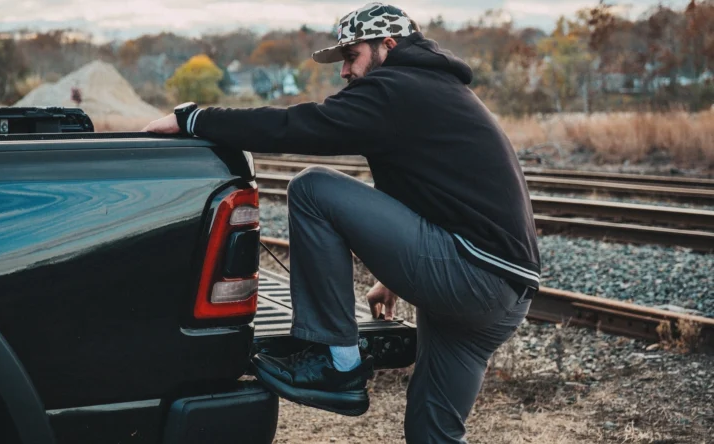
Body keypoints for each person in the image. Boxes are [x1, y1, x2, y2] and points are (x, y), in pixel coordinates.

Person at [143, 2, 540, 442]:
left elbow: (298, 125)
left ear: (388, 45)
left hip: (470, 273)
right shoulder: (437, 89)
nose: (345, 71)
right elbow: (438, 193)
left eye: (352, 56)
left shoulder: (398, 88)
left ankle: (338, 364)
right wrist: (393, 277)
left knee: (313, 188)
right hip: (503, 294)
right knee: (432, 431)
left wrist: (196, 119)